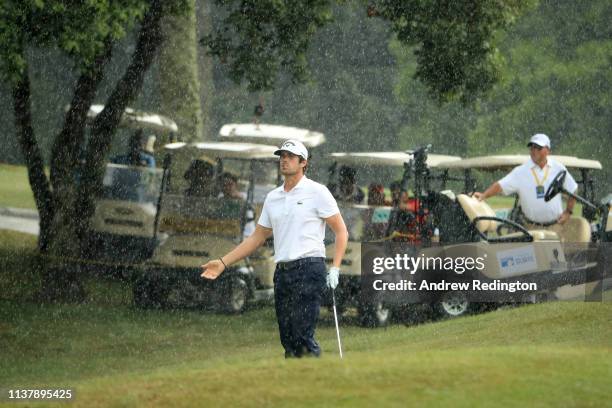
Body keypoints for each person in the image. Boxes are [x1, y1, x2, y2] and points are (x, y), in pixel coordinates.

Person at [201, 139, 348, 358]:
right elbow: (257, 237)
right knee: (287, 338)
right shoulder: (273, 197)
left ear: (303, 163)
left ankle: (314, 379)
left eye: (290, 157)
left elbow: (341, 231)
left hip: (309, 268)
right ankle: (294, 383)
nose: (284, 160)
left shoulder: (317, 192)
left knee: (302, 335)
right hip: (283, 273)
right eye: (282, 156)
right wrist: (223, 262)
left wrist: (335, 267)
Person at [474, 133, 577, 227]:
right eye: (532, 148)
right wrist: (484, 195)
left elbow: (573, 189)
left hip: (556, 226)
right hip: (530, 227)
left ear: (548, 150)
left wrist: (568, 212)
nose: (534, 151)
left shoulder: (559, 168)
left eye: (538, 148)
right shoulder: (520, 171)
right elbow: (500, 186)